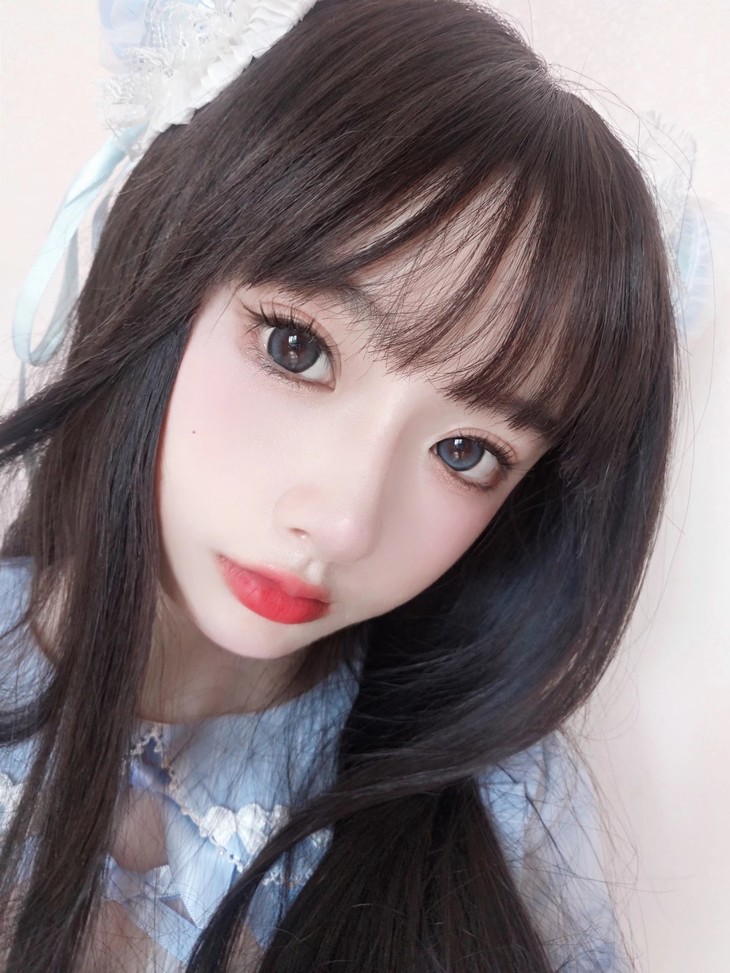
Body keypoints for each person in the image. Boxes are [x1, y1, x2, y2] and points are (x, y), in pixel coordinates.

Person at [0, 0, 677, 970]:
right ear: (165, 268)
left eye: (466, 450)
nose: (345, 521)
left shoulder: (500, 813)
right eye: (296, 347)